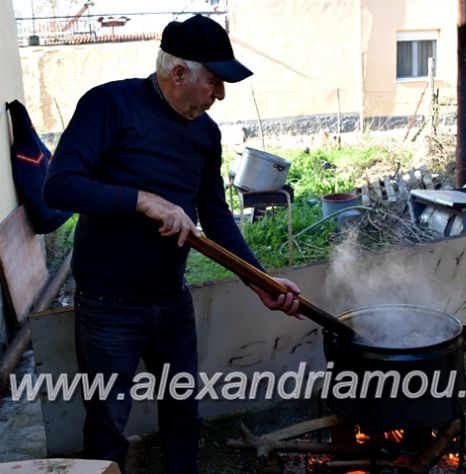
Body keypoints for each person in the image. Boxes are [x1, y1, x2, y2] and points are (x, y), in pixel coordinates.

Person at [43, 14, 302, 473]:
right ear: (179, 73)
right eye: (216, 81)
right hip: (108, 305)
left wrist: (256, 279)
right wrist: (142, 200)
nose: (220, 95)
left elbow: (216, 215)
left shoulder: (205, 133)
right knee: (107, 423)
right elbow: (59, 187)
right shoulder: (109, 105)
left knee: (183, 412)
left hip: (170, 299)